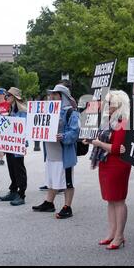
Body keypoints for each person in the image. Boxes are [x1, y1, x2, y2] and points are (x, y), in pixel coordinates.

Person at [84, 90, 131, 250]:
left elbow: (117, 149)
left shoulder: (123, 121)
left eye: (111, 102)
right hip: (105, 162)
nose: (107, 105)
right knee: (110, 200)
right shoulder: (109, 120)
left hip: (117, 165)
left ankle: (119, 236)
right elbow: (106, 142)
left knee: (118, 200)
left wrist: (97, 143)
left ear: (120, 104)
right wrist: (91, 140)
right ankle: (112, 233)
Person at [32, 84, 80, 219]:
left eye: (55, 94)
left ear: (62, 96)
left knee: (67, 181)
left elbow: (75, 132)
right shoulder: (47, 111)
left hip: (63, 154)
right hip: (51, 153)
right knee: (52, 178)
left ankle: (67, 207)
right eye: (51, 94)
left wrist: (63, 136)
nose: (51, 96)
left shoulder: (71, 112)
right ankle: (49, 202)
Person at [0, 87, 28, 206]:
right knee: (11, 167)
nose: (6, 98)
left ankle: (21, 194)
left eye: (9, 96)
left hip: (18, 144)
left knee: (19, 168)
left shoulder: (22, 111)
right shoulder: (11, 110)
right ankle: (13, 190)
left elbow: (24, 128)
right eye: (6, 96)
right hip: (10, 144)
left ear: (15, 97)